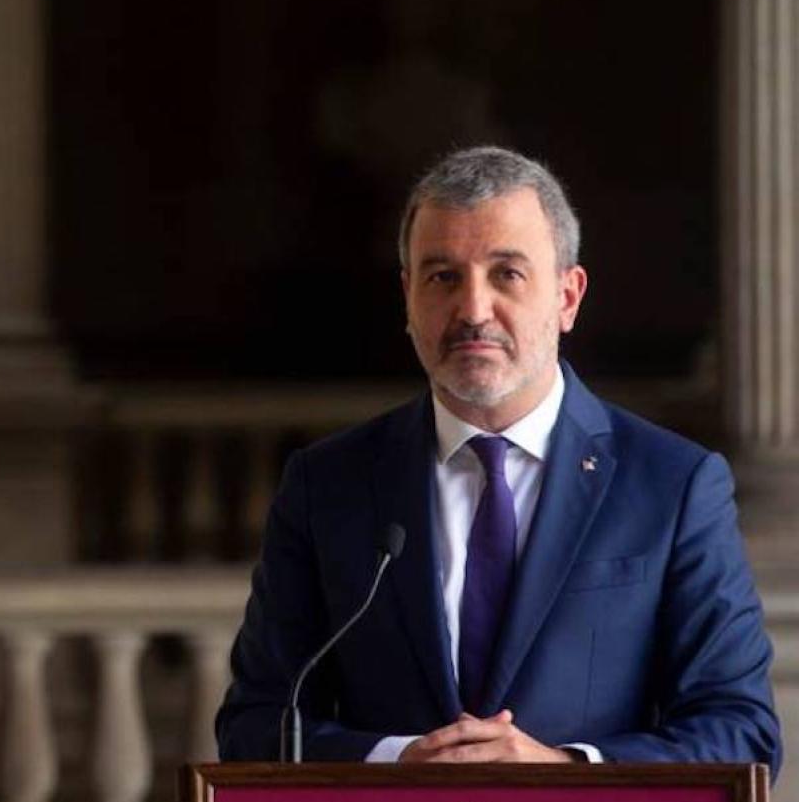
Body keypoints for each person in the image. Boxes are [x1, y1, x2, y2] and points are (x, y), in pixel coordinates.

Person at [216, 146, 782, 770]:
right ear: (407, 297)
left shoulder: (675, 485)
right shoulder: (326, 486)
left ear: (568, 296)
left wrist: (566, 772)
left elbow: (741, 732)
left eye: (507, 274)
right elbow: (255, 723)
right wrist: (399, 762)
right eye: (443, 277)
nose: (473, 310)